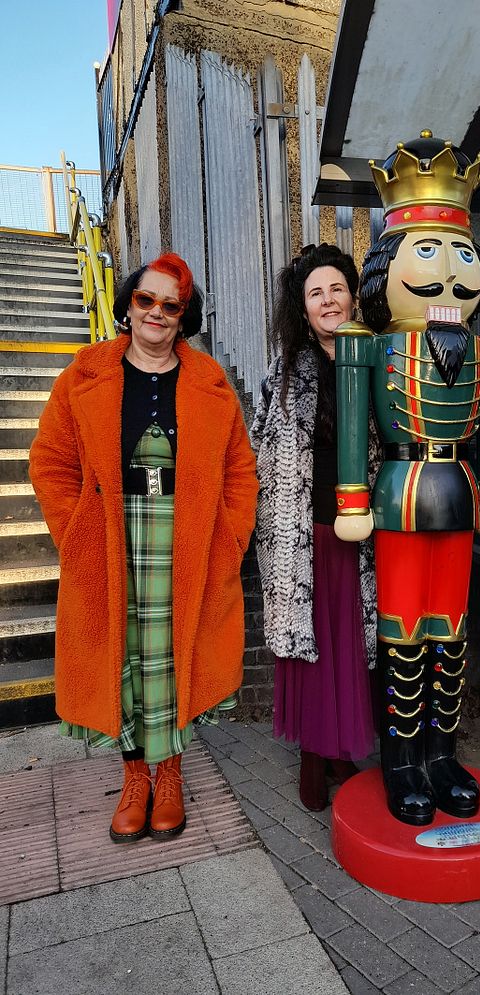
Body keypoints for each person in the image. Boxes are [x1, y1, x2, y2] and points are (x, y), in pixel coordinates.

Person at [29, 252, 258, 843]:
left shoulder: (210, 383)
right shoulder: (83, 375)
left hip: (187, 539)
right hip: (109, 537)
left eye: (170, 304)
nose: (156, 312)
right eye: (145, 299)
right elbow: (50, 462)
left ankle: (172, 773)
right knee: (125, 661)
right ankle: (135, 777)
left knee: (174, 657)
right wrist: (74, 532)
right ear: (128, 305)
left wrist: (227, 540)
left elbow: (240, 472)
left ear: (185, 317)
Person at [334, 131, 480, 826]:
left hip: (460, 496)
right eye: (427, 251)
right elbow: (356, 429)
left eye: (461, 252)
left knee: (452, 629)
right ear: (389, 264)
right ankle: (402, 761)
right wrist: (353, 497)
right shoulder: (366, 345)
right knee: (404, 631)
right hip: (401, 495)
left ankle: (443, 753)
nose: (449, 272)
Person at [250, 243, 377, 812]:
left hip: (362, 530)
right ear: (302, 310)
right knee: (312, 644)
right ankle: (312, 755)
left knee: (350, 641)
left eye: (336, 289)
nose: (328, 301)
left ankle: (341, 751)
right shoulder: (283, 371)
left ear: (353, 295)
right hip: (304, 533)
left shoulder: (378, 358)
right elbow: (261, 450)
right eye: (315, 294)